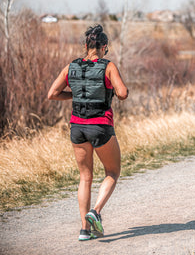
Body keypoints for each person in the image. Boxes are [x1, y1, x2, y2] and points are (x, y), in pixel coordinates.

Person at [48, 24, 128, 241]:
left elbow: (52, 94)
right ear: (104, 48)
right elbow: (122, 93)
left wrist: (74, 96)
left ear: (86, 46)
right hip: (100, 126)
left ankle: (84, 230)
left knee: (85, 177)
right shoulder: (108, 66)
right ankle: (95, 212)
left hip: (77, 127)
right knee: (112, 171)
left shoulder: (70, 67)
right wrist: (116, 91)